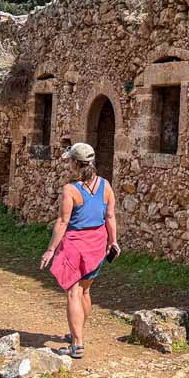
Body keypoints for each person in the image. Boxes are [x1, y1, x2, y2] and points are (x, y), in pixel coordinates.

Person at [40, 142, 119, 359]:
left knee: (73, 292)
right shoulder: (106, 185)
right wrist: (113, 241)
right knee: (85, 291)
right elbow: (110, 217)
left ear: (75, 163)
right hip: (97, 243)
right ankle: (78, 333)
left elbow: (63, 221)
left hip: (75, 244)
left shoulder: (70, 190)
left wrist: (50, 250)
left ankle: (77, 344)